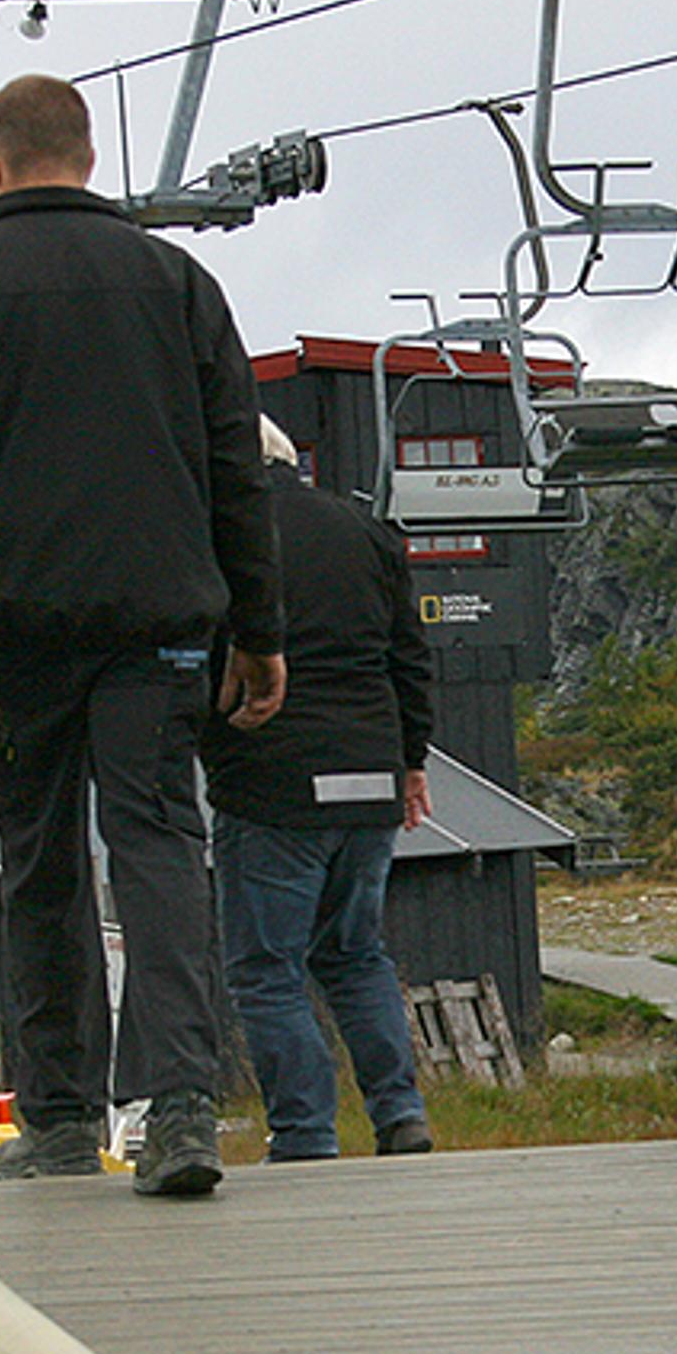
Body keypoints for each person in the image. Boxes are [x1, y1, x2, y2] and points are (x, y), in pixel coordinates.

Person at [0, 70, 286, 1200]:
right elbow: (235, 470)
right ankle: (181, 1110)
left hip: (19, 629)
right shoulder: (177, 281)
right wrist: (259, 628)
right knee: (159, 846)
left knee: (41, 862)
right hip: (160, 624)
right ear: (92, 158)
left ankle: (56, 1117)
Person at [201, 418, 436, 1161]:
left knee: (266, 972)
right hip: (372, 773)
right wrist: (412, 762)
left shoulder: (223, 537)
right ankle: (400, 1112)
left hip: (272, 782)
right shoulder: (365, 530)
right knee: (356, 955)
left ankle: (305, 1136)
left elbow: (206, 658)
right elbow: (409, 658)